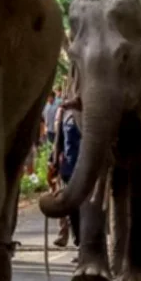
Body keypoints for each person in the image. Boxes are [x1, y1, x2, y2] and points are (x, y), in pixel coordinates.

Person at [50, 104, 82, 249]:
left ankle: (86, 243)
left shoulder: (93, 110)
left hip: (89, 168)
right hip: (69, 169)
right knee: (73, 208)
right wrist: (54, 164)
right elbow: (59, 142)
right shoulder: (65, 113)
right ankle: (79, 242)